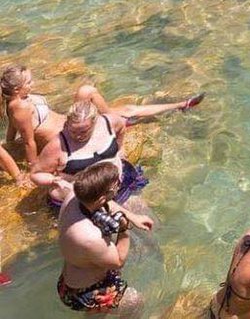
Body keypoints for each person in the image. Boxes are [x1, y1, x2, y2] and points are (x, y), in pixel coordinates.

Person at [2, 65, 201, 174]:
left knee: (87, 91)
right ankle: (180, 105)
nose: (33, 83)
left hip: (68, 120)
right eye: (29, 82)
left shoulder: (21, 100)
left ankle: (179, 105)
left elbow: (13, 127)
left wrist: (9, 143)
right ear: (17, 90)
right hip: (67, 133)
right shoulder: (18, 107)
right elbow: (28, 141)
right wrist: (33, 168)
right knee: (127, 110)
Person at [56, 162, 152, 315]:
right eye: (117, 185)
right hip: (86, 291)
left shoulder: (76, 194)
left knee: (101, 313)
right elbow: (118, 262)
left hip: (75, 275)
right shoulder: (89, 237)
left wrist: (133, 216)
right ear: (101, 198)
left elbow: (107, 202)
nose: (119, 185)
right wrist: (124, 228)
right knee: (135, 303)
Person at [30, 101, 147, 207]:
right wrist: (54, 180)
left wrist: (120, 149)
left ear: (95, 121)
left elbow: (121, 128)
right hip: (81, 199)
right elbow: (36, 174)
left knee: (141, 215)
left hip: (115, 185)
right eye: (73, 131)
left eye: (84, 131)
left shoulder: (109, 122)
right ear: (67, 123)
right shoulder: (58, 145)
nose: (78, 136)